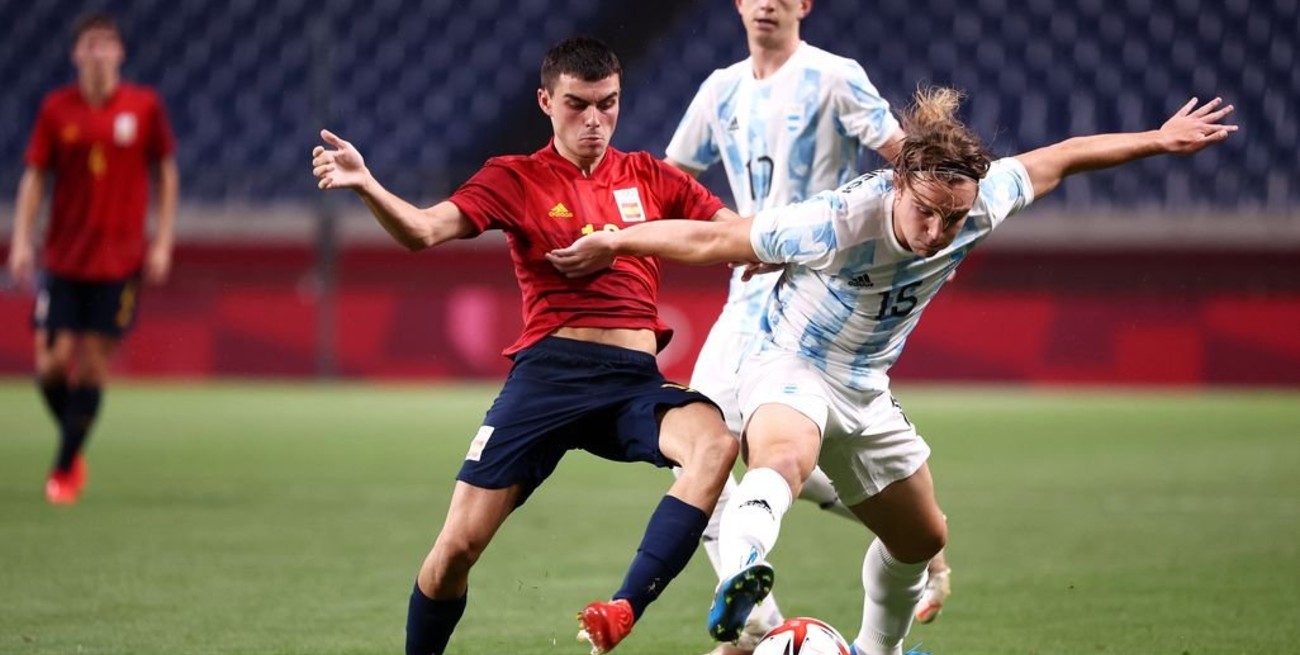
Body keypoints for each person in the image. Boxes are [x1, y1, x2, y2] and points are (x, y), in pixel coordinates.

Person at [548, 87, 1236, 655]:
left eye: (951, 218)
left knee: (922, 538)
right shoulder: (838, 220)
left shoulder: (982, 200)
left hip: (866, 386)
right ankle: (746, 568)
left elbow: (1061, 157)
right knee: (784, 456)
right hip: (791, 362)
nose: (936, 232)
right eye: (925, 212)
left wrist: (1159, 139)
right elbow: (712, 237)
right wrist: (615, 241)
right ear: (899, 182)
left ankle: (877, 649)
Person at [311, 36, 743, 655]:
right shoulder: (514, 177)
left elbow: (734, 233)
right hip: (549, 378)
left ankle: (623, 608)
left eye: (608, 104)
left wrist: (774, 241)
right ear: (546, 101)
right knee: (456, 550)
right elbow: (424, 231)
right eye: (577, 104)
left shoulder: (651, 176)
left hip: (632, 381)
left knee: (716, 444)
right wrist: (367, 185)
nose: (594, 120)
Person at [663, 1, 951, 646]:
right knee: (698, 453)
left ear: (804, 4)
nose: (767, 2)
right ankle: (758, 622)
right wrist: (722, 228)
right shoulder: (720, 90)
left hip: (816, 296)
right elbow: (672, 179)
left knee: (755, 454)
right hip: (746, 291)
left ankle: (905, 539)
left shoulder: (834, 76)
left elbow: (909, 166)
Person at [6, 12, 179, 505]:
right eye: (90, 43)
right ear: (76, 53)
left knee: (93, 367)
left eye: (106, 42)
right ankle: (74, 435)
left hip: (119, 260)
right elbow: (36, 177)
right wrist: (21, 240)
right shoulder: (56, 109)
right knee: (52, 365)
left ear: (120, 52)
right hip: (64, 257)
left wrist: (162, 240)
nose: (99, 51)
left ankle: (64, 468)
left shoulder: (144, 107)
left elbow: (165, 172)